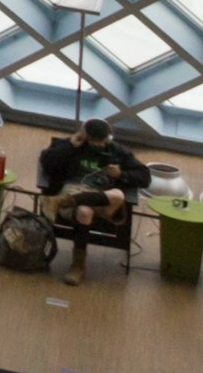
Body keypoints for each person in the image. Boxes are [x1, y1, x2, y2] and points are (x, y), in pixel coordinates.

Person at [39, 115, 147, 282]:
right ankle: (78, 266)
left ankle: (57, 202)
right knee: (84, 211)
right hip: (73, 190)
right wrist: (70, 145)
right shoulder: (72, 146)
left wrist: (121, 174)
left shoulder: (117, 152)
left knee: (117, 194)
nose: (97, 145)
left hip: (102, 198)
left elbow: (144, 177)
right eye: (93, 141)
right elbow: (47, 163)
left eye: (101, 142)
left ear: (108, 138)